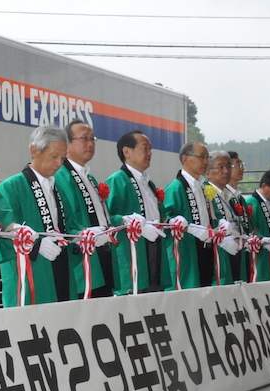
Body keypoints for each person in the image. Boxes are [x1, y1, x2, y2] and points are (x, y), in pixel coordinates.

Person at [0, 126, 73, 305]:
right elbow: (4, 231)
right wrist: (35, 244)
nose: (59, 163)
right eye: (54, 156)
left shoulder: (57, 188)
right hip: (29, 271)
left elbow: (70, 223)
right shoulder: (11, 186)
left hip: (58, 266)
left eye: (63, 157)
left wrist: (83, 235)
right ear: (34, 151)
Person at [53, 120, 110, 297]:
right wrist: (85, 233)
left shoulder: (89, 177)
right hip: (82, 258)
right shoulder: (62, 174)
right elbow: (67, 220)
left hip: (102, 252)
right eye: (84, 138)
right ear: (67, 145)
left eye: (92, 138)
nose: (90, 143)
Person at [103, 130, 164, 294]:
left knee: (155, 293)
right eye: (145, 148)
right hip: (133, 251)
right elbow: (107, 218)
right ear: (127, 151)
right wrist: (126, 220)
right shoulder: (117, 180)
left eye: (150, 149)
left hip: (155, 246)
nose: (150, 153)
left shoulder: (148, 182)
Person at [162, 141, 215, 289]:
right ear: (185, 158)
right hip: (188, 248)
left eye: (207, 158)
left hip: (207, 247)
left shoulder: (204, 187)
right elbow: (166, 217)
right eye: (201, 157)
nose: (205, 162)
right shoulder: (175, 187)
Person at [205, 150, 243, 284]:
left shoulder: (230, 195)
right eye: (220, 167)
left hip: (235, 248)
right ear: (208, 172)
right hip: (218, 251)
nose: (226, 171)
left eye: (228, 166)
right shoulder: (205, 192)